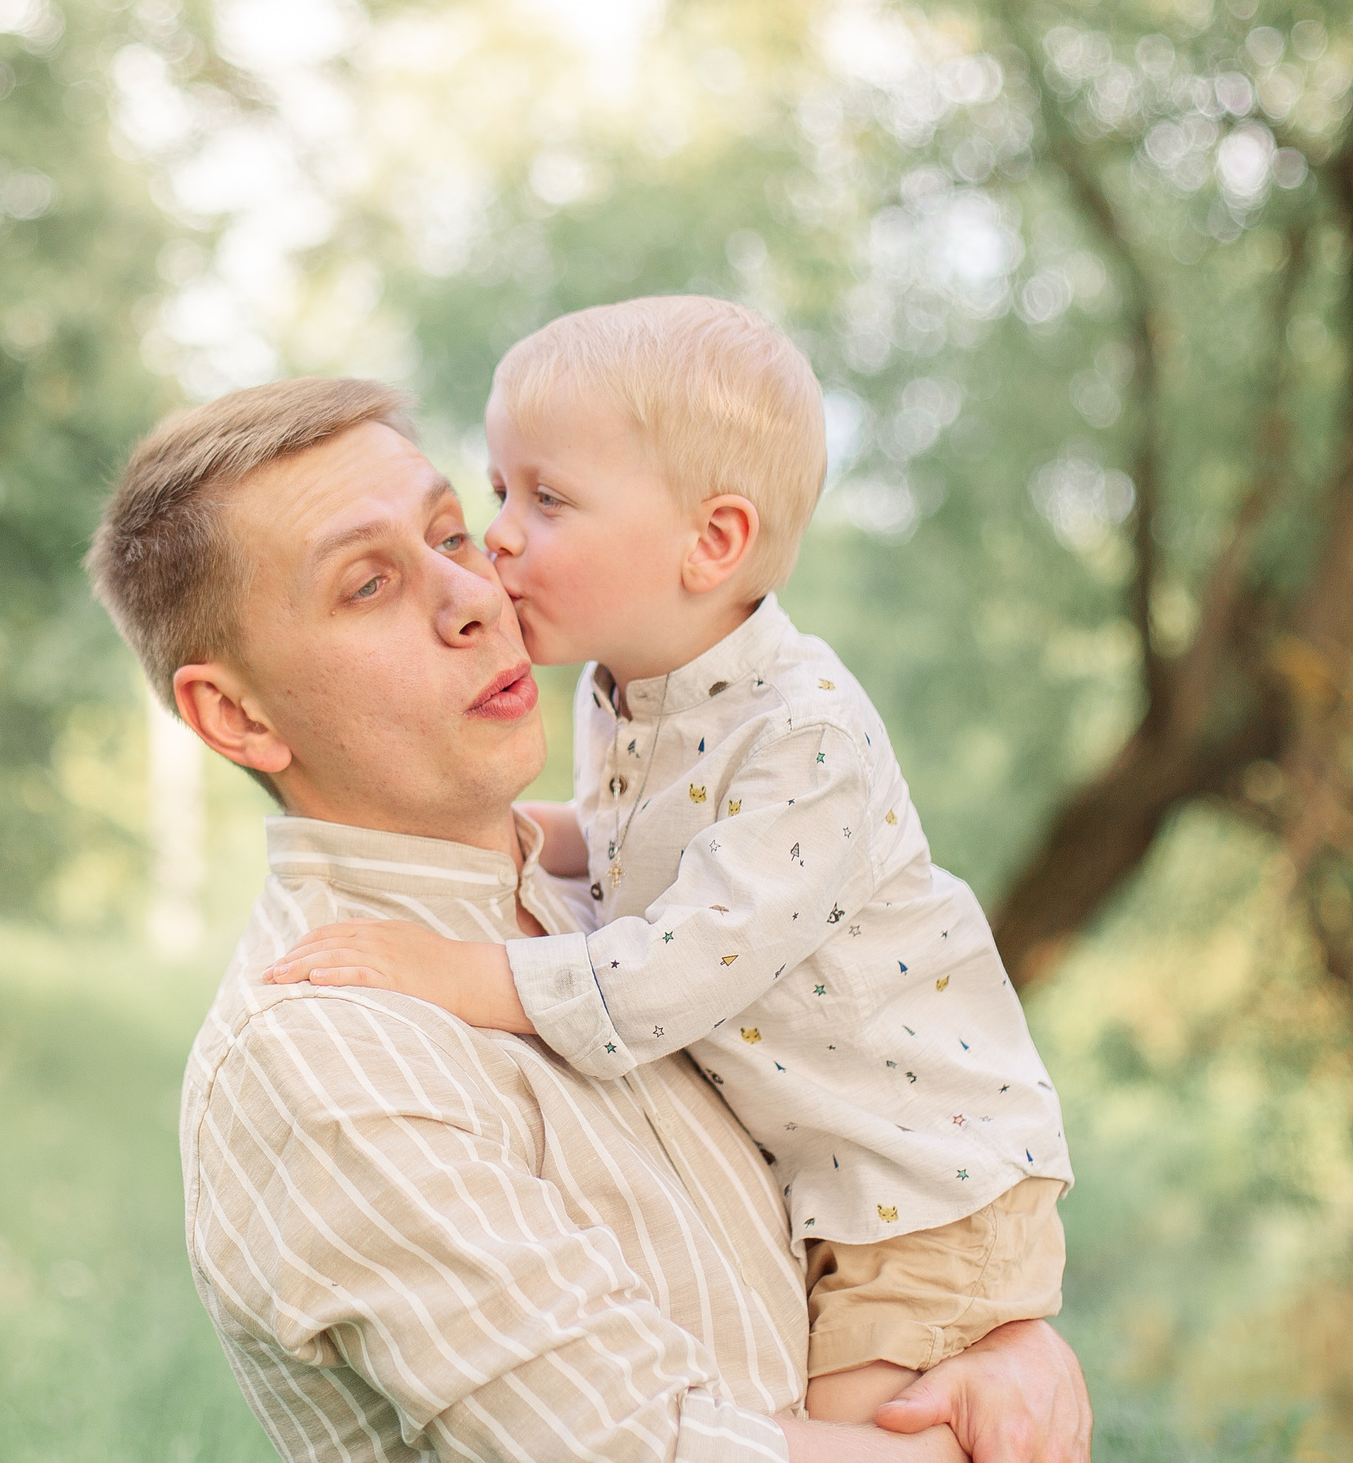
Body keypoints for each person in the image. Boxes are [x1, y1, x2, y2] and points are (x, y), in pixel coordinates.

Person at [86, 375, 1090, 1462]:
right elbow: (642, 1453)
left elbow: (849, 1180)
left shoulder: (636, 906)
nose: (474, 595)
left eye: (454, 533)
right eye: (369, 583)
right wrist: (979, 1448)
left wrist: (1001, 1345)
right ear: (235, 714)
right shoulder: (327, 1050)